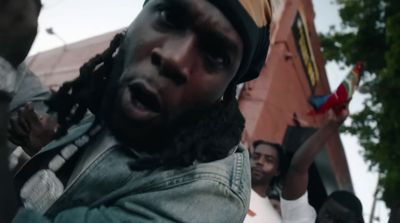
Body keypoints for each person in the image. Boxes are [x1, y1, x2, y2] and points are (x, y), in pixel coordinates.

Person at [0, 0, 273, 222]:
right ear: (135, 22)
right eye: (170, 17)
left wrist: (5, 71)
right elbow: (32, 98)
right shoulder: (103, 110)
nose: (174, 59)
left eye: (215, 55)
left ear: (226, 89)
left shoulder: (207, 195)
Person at [281, 108, 365, 223]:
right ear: (322, 207)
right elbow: (297, 169)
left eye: (339, 222)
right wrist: (330, 127)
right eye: (327, 215)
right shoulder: (302, 219)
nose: (330, 222)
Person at [244, 140, 283, 223]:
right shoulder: (224, 187)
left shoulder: (273, 219)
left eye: (269, 160)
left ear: (277, 171)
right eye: (255, 157)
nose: (260, 162)